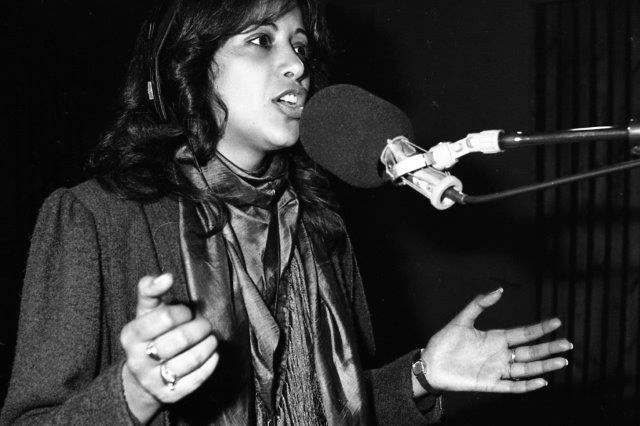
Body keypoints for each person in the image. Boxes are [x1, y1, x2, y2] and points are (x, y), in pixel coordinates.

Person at [1, 0, 573, 424]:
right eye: (260, 40)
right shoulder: (94, 217)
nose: (296, 65)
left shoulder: (321, 226)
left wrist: (422, 376)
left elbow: (332, 405)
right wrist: (135, 391)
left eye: (300, 46)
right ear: (190, 67)